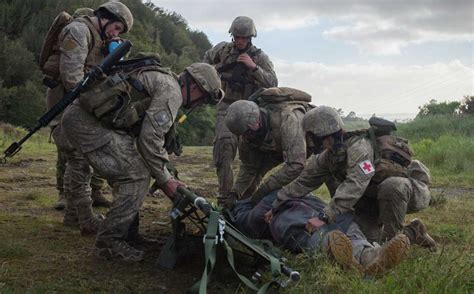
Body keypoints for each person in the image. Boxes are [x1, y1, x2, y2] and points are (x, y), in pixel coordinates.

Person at [61, 58, 224, 261]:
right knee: (136, 176)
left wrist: (166, 174)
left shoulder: (163, 80)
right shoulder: (171, 92)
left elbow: (143, 139)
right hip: (86, 124)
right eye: (203, 98)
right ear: (194, 85)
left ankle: (129, 233)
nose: (199, 104)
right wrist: (166, 180)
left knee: (134, 167)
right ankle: (109, 243)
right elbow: (150, 139)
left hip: (84, 119)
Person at [264, 106, 436, 250]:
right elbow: (304, 181)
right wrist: (277, 204)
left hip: (411, 191)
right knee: (370, 240)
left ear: (329, 135)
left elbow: (356, 183)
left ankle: (394, 241)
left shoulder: (360, 148)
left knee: (392, 187)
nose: (318, 145)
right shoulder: (330, 156)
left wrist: (325, 216)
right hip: (374, 199)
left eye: (319, 140)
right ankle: (414, 231)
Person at [47, 2, 133, 234]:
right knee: (79, 160)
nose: (116, 33)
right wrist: (97, 103)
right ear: (105, 18)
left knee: (78, 159)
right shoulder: (78, 31)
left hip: (79, 102)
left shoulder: (97, 35)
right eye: (116, 27)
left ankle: (73, 216)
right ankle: (85, 219)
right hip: (66, 103)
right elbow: (72, 78)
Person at [231, 191, 410, 276]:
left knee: (342, 220)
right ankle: (340, 252)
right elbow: (250, 222)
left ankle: (369, 255)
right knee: (309, 230)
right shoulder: (246, 207)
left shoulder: (287, 185)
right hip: (284, 215)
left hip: (313, 205)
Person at [203, 16, 278, 206]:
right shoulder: (221, 50)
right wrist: (214, 73)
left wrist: (254, 68)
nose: (240, 41)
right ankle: (225, 198)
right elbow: (204, 64)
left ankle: (244, 201)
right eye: (237, 37)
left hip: (250, 108)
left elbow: (273, 83)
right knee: (224, 149)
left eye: (243, 38)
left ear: (250, 37)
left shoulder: (260, 57)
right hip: (226, 106)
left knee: (251, 160)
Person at [222, 87, 311, 208]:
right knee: (250, 188)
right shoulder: (246, 133)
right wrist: (235, 193)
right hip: (275, 149)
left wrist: (265, 189)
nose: (245, 137)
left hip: (314, 146)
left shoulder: (289, 119)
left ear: (256, 122)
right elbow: (249, 167)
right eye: (241, 134)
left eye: (247, 132)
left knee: (330, 181)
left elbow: (296, 165)